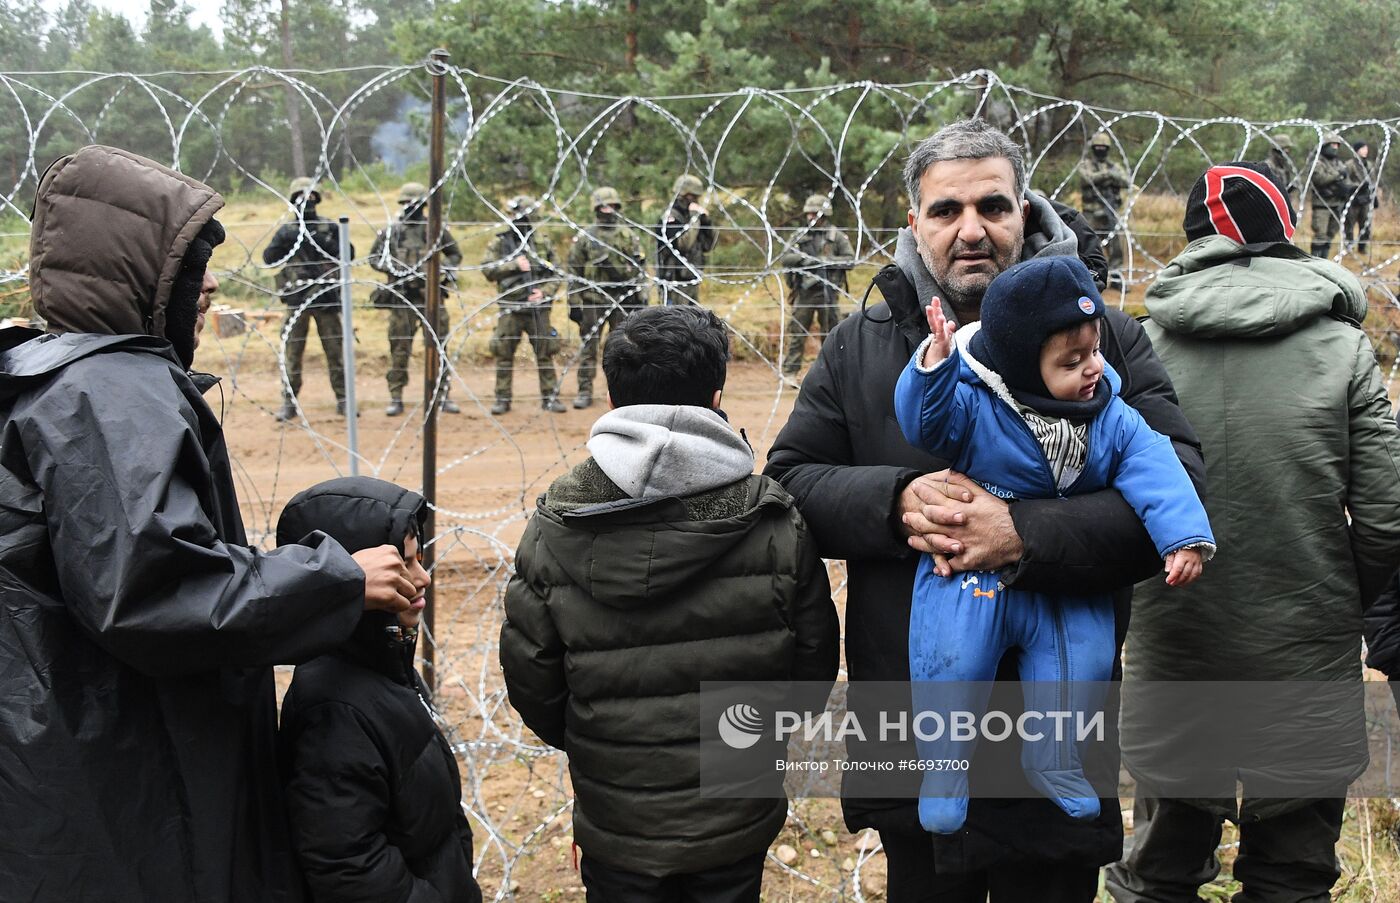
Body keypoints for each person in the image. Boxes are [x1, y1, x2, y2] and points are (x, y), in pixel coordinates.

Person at [764, 118, 1204, 902]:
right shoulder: (860, 346)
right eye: (946, 210)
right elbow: (791, 483)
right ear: (915, 223)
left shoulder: (1105, 343)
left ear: (1026, 213)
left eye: (993, 206)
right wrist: (893, 500)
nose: (971, 230)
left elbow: (1178, 486)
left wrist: (1021, 533)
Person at [0, 145, 419, 903]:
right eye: (190, 262)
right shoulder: (110, 389)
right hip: (140, 789)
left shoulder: (46, 375)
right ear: (136, 276)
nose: (211, 283)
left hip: (79, 773)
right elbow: (157, 589)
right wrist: (340, 578)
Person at [1104, 162, 1400, 901]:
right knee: (1294, 871)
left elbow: (1105, 503)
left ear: (1193, 239)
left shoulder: (1138, 348)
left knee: (1160, 866)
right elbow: (1388, 515)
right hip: (1303, 641)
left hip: (1175, 637)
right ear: (1287, 232)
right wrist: (1339, 598)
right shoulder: (1344, 348)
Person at [501, 304, 840, 901]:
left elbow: (534, 681)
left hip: (617, 815)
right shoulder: (771, 517)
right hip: (734, 808)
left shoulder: (556, 524)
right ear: (716, 398)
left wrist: (605, 741)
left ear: (613, 404)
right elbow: (811, 672)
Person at [893, 256, 1212, 833]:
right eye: (1072, 361)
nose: (1093, 368)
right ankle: (943, 770)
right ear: (1019, 365)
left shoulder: (1110, 413)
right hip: (968, 574)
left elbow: (1156, 466)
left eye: (1095, 352)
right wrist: (933, 369)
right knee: (950, 662)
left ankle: (1055, 761)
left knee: (1080, 667)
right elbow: (926, 426)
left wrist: (1183, 536)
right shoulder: (975, 398)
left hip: (1065, 579)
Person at [277, 477, 483, 903]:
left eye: (419, 560)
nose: (422, 578)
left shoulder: (382, 664)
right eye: (403, 565)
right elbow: (349, 867)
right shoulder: (333, 708)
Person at [370, 181, 464, 416]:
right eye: (407, 203)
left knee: (438, 348)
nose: (412, 207)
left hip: (430, 297)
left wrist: (438, 269)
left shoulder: (435, 229)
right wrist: (393, 268)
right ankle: (396, 397)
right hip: (402, 299)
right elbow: (373, 258)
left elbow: (455, 254)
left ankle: (442, 395)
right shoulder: (392, 230)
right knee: (399, 349)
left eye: (417, 203)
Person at [263, 176, 353, 420]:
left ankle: (344, 400)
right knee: (292, 354)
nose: (307, 201)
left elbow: (349, 254)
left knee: (336, 353)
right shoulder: (288, 231)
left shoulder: (330, 227)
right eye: (301, 197)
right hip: (297, 300)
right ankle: (289, 403)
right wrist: (288, 240)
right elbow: (268, 258)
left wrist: (321, 240)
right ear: (293, 201)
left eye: (311, 197)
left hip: (326, 299)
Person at [481, 195, 565, 415]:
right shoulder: (500, 242)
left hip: (537, 308)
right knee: (504, 353)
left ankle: (550, 397)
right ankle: (502, 398)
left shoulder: (543, 242)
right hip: (511, 307)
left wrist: (544, 292)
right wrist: (512, 265)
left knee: (545, 352)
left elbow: (557, 272)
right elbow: (487, 269)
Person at [566, 185, 648, 409]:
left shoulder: (628, 235)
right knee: (589, 348)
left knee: (623, 350)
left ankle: (621, 393)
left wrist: (642, 296)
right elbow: (574, 272)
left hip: (621, 301)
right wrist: (574, 303)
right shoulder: (586, 237)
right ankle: (585, 391)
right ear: (596, 208)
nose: (608, 210)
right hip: (593, 301)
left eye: (612, 205)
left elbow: (640, 269)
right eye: (603, 206)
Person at [779, 193, 854, 378]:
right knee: (797, 332)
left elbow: (850, 260)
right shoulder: (799, 236)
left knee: (831, 335)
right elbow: (785, 258)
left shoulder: (836, 236)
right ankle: (789, 372)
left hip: (828, 292)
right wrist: (806, 261)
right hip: (804, 292)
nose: (810, 217)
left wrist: (825, 261)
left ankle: (831, 374)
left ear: (824, 215)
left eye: (815, 214)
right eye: (808, 213)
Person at [655, 173, 717, 306]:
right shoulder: (670, 218)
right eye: (691, 196)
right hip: (675, 280)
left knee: (693, 321)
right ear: (681, 195)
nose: (694, 200)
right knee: (676, 321)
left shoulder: (691, 216)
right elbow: (683, 245)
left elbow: (708, 246)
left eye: (696, 197)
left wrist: (706, 222)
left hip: (692, 278)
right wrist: (695, 219)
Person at [1077, 131, 1131, 280]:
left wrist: (1108, 176)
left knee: (1116, 247)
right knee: (1087, 246)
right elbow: (1086, 179)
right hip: (1091, 212)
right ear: (1093, 148)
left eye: (1103, 147)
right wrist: (1107, 176)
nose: (1100, 149)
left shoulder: (1115, 166)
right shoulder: (1086, 165)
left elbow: (1126, 181)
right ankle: (1089, 276)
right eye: (1097, 146)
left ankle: (1116, 277)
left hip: (1110, 211)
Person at [1305, 131, 1355, 258]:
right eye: (1333, 144)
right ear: (1326, 145)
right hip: (1322, 205)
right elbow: (1320, 179)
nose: (1335, 148)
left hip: (1336, 204)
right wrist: (1337, 176)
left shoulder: (1338, 163)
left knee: (1330, 234)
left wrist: (1344, 188)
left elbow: (1346, 179)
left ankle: (1324, 260)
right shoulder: (1317, 162)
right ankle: (1316, 262)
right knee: (1320, 235)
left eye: (1337, 145)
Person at [1344, 140, 1378, 256]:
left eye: (1366, 149)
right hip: (1354, 199)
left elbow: (1373, 181)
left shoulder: (1369, 165)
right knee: (1350, 225)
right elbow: (1346, 181)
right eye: (1363, 149)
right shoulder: (1349, 165)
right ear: (1357, 150)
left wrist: (1374, 196)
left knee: (1366, 225)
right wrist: (1357, 186)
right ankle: (1349, 247)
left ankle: (1362, 248)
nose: (1365, 151)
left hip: (1366, 199)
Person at [1266, 134, 1299, 212]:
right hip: (1272, 207)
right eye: (1285, 149)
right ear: (1277, 150)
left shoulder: (1284, 166)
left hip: (1283, 206)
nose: (1287, 152)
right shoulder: (1268, 166)